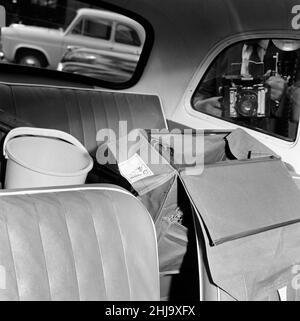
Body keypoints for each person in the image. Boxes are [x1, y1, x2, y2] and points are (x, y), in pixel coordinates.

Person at [193, 39, 297, 137]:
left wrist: (287, 95)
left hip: (274, 141)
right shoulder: (223, 47)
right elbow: (196, 95)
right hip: (227, 137)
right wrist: (200, 107)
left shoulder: (292, 49)